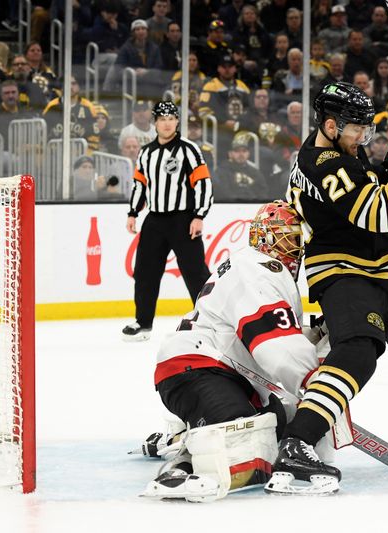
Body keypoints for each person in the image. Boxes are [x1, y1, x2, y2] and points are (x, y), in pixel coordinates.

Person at [268, 82, 388, 495]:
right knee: (357, 353)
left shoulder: (340, 153)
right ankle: (297, 442)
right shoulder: (324, 161)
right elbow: (381, 212)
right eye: (357, 129)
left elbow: (369, 181)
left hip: (376, 271)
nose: (363, 137)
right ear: (330, 125)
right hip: (343, 272)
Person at [142, 201, 318, 502]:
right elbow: (276, 348)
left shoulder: (250, 265)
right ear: (264, 236)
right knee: (241, 441)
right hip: (198, 367)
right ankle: (182, 464)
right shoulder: (260, 269)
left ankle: (190, 430)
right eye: (287, 236)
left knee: (277, 426)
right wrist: (316, 384)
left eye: (296, 238)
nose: (294, 246)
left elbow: (262, 333)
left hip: (220, 372)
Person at [124, 101, 213, 341]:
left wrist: (199, 215)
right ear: (155, 123)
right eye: (162, 119)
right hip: (154, 220)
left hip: (183, 219)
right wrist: (133, 212)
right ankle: (143, 323)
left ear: (177, 121)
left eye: (171, 118)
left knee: (195, 272)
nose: (166, 123)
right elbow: (139, 184)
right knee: (145, 272)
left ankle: (209, 321)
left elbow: (203, 183)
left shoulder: (189, 149)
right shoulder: (146, 152)